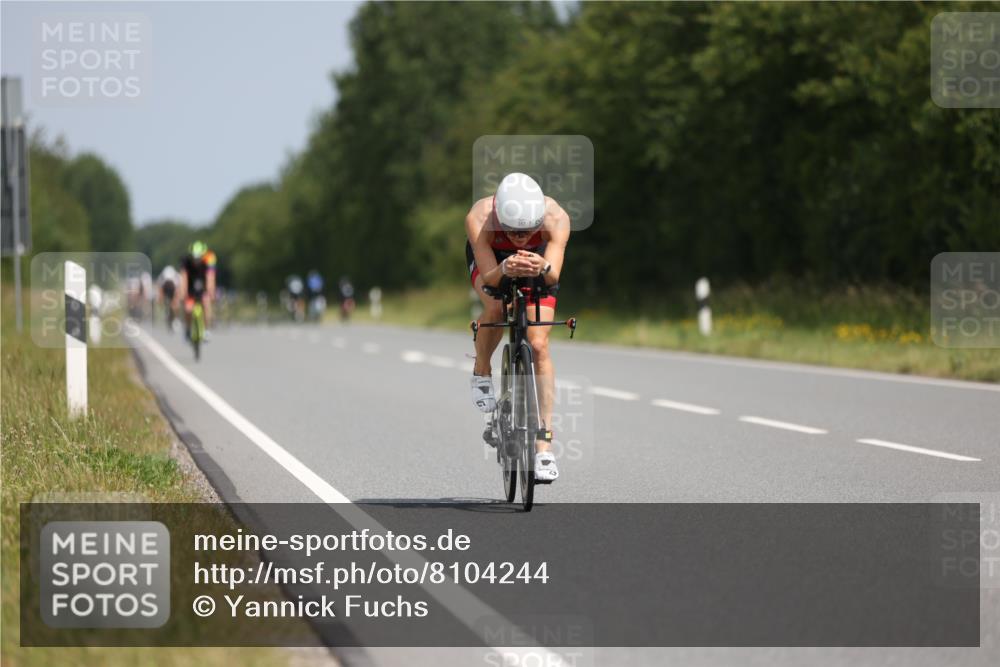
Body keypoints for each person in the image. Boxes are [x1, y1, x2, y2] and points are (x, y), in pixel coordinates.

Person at [465, 172, 570, 483]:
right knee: (496, 306)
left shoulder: (555, 217)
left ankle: (543, 446)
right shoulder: (480, 217)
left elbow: (552, 277)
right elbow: (489, 280)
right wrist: (504, 267)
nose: (520, 237)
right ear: (499, 217)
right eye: (512, 231)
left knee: (538, 344)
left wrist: (543, 266)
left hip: (540, 260)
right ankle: (481, 371)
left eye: (528, 230)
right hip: (493, 262)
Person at [176, 241, 217, 339]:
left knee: (207, 304)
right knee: (188, 309)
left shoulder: (209, 260)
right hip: (190, 288)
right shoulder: (185, 261)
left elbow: (210, 277)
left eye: (198, 258)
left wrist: (211, 292)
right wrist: (183, 293)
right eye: (194, 258)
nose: (196, 260)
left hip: (203, 287)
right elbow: (184, 278)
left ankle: (206, 330)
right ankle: (188, 329)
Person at [157, 265, 180, 332]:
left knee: (175, 304)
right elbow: (160, 291)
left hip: (173, 290)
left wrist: (175, 301)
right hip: (165, 290)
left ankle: (175, 318)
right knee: (165, 302)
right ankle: (166, 312)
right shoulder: (161, 278)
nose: (168, 282)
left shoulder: (176, 278)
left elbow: (177, 292)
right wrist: (160, 300)